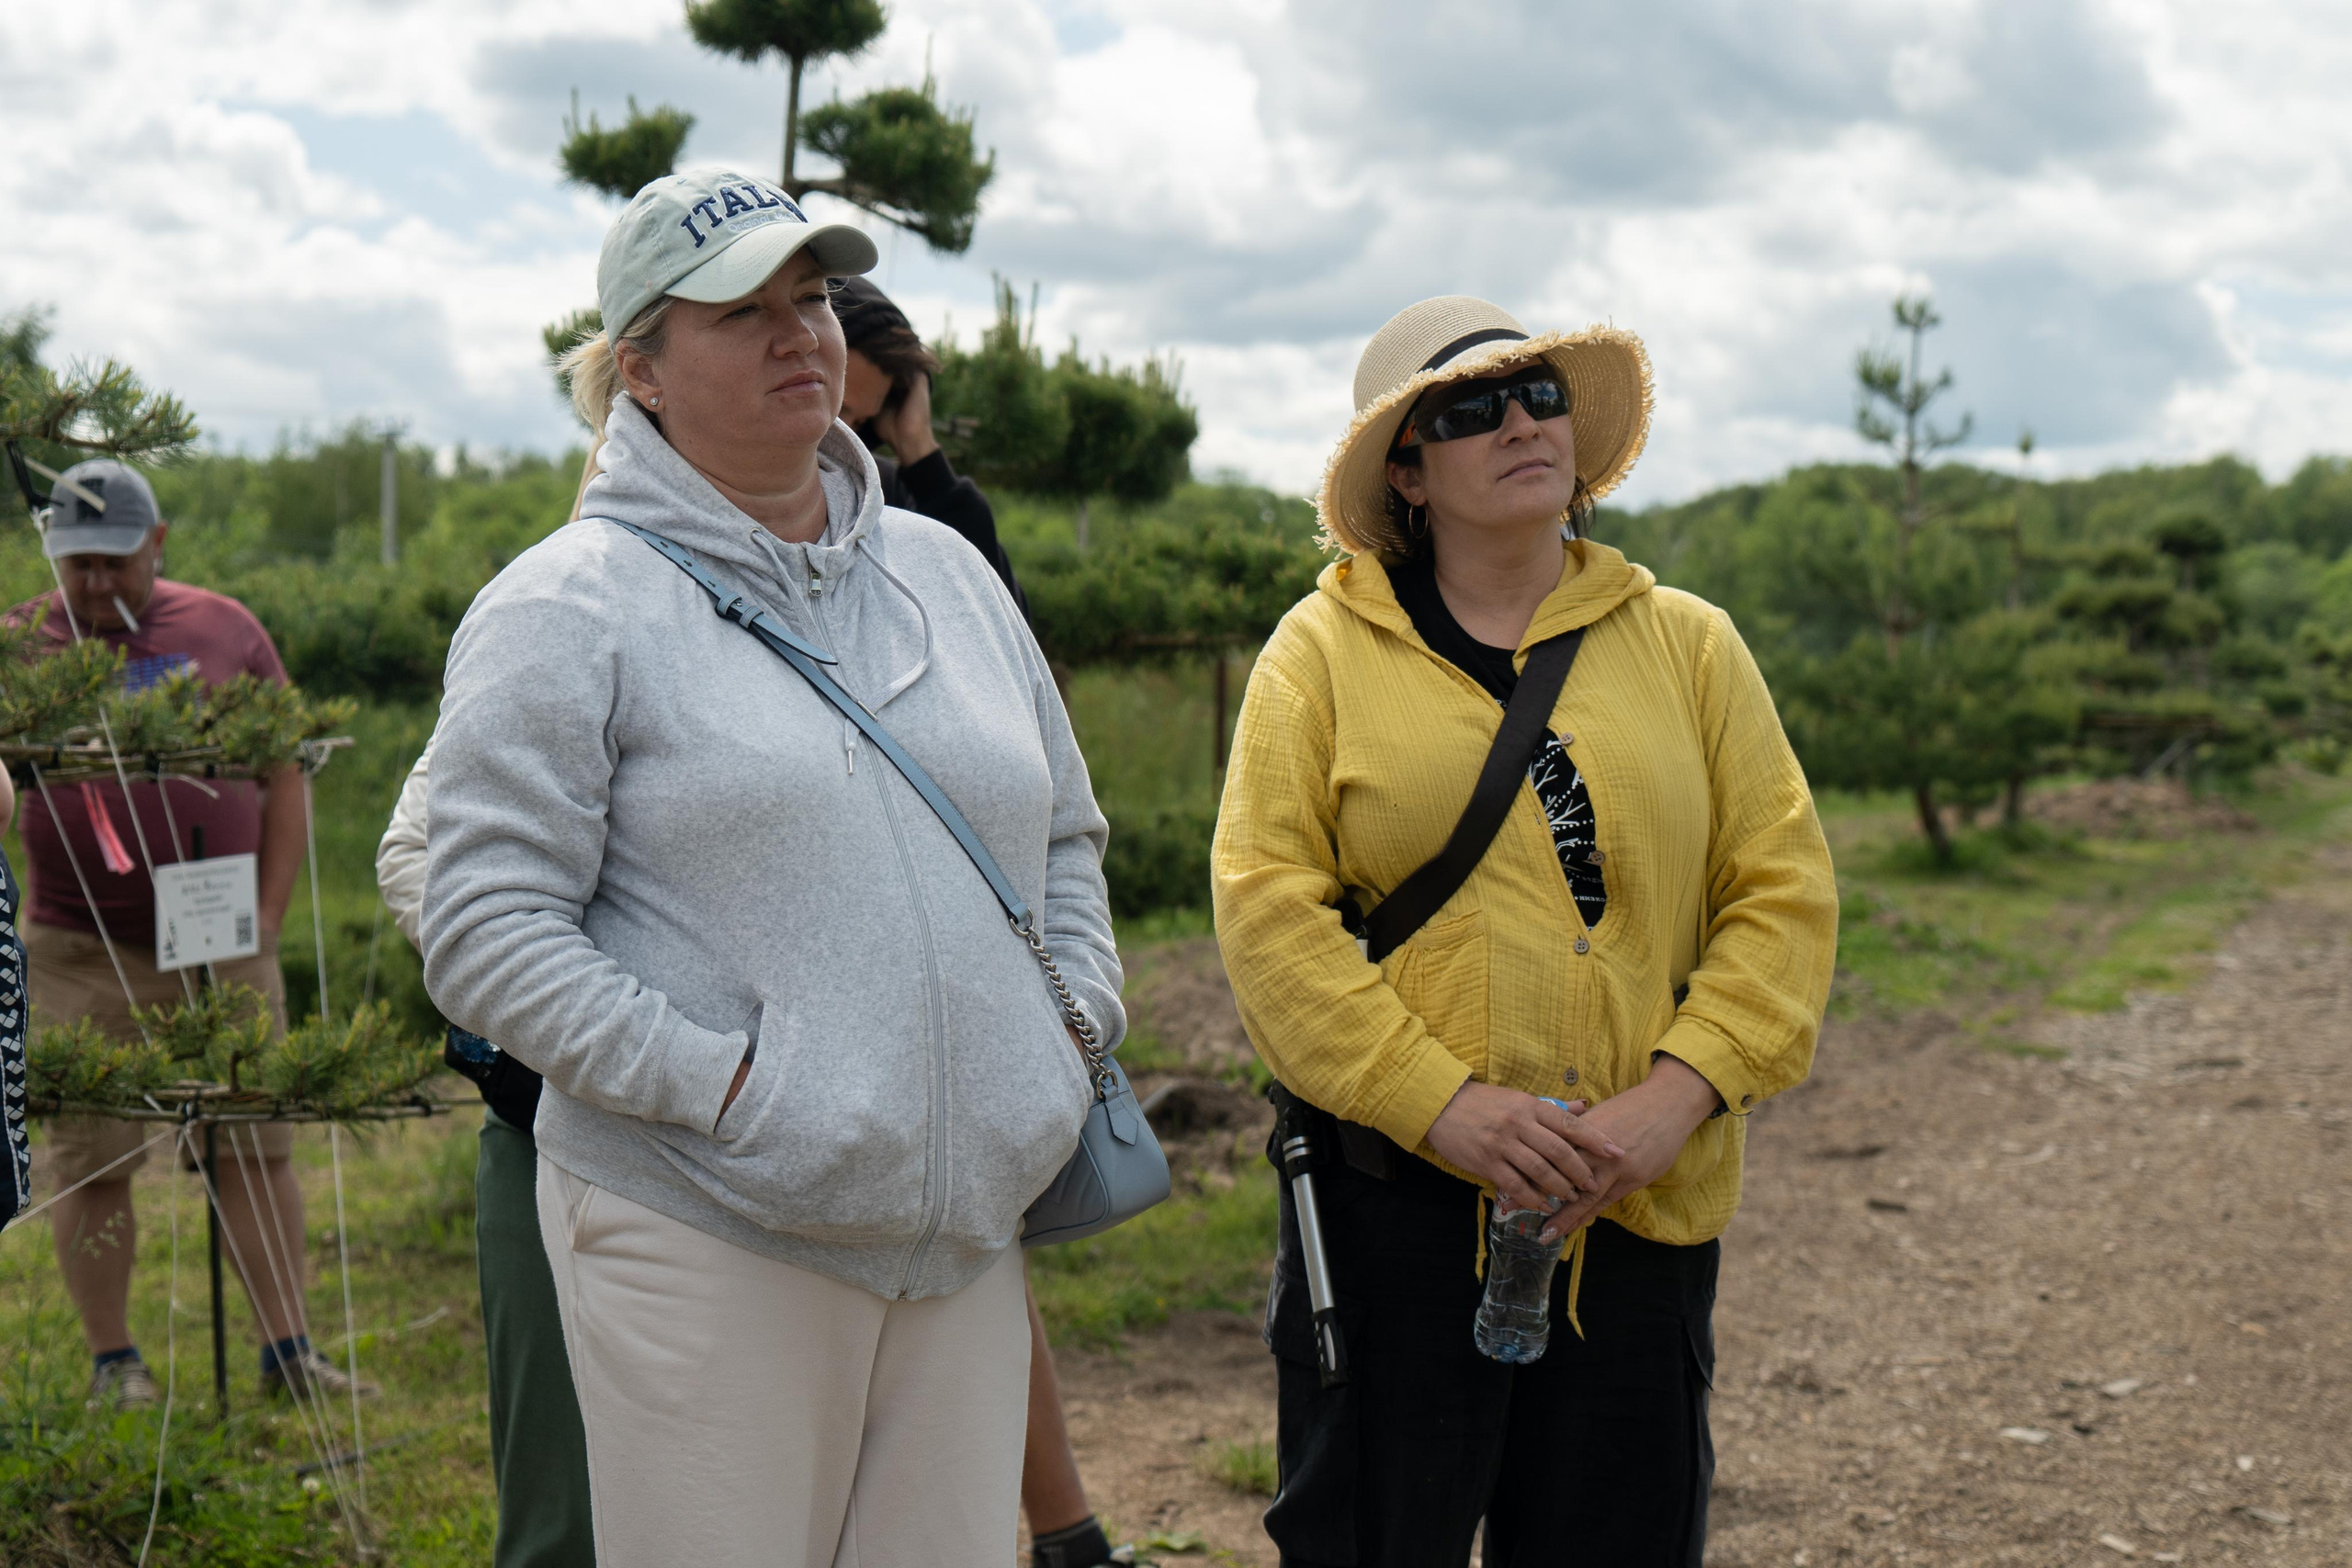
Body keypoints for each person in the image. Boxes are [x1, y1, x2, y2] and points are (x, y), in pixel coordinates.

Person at [419, 168, 1124, 1566]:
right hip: (710, 1227)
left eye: (809, 300)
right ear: (643, 374)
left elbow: (1064, 836)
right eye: (743, 311)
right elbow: (486, 924)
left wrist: (1069, 1030)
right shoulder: (567, 605)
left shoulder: (951, 578)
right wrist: (730, 1092)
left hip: (963, 1243)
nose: (800, 333)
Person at [1211, 296, 1838, 1565]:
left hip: (1634, 1212)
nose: (1519, 421)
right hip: (1395, 1210)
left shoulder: (1690, 645)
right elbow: (1270, 911)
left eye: (1540, 394)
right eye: (1468, 409)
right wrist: (1443, 1103)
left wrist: (1673, 1099)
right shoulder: (1318, 656)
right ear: (1408, 469)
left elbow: (1782, 891)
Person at [11, 459, 373, 1407]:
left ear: (156, 543)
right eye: (75, 563)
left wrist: (270, 913)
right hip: (77, 950)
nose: (93, 583)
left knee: (253, 1143)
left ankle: (289, 1353)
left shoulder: (224, 628)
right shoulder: (19, 644)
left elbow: (285, 770)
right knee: (93, 1156)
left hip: (221, 943)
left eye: (114, 562)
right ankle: (114, 1364)